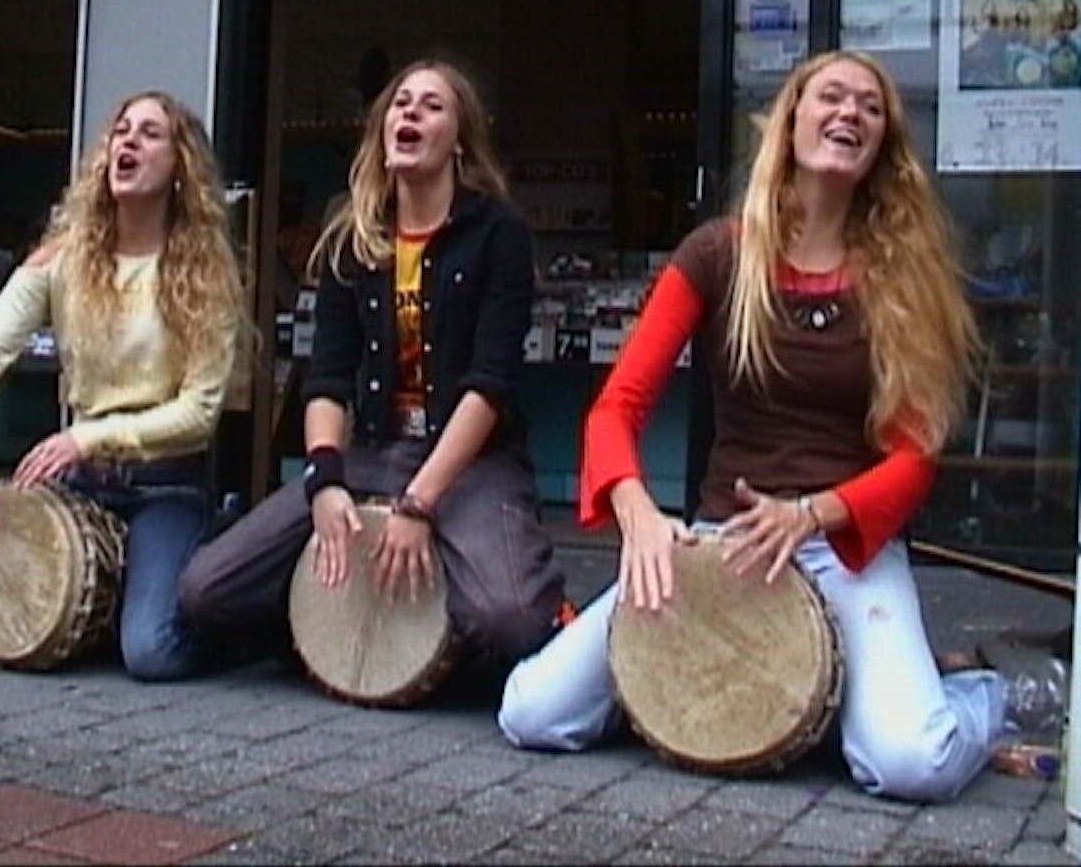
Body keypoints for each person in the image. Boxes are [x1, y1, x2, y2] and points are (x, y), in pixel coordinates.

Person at [496, 51, 1059, 802]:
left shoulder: (905, 274)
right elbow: (616, 407)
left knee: (909, 764)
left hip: (843, 546)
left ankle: (977, 696)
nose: (849, 114)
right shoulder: (718, 254)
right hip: (723, 541)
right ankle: (694, 697)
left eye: (869, 106)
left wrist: (811, 515)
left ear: (882, 146)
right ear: (790, 121)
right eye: (830, 97)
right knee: (532, 711)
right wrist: (640, 518)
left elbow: (915, 456)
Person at [179, 58, 566, 683]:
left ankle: (465, 604)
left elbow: (490, 384)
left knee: (512, 618)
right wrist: (326, 480)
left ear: (459, 141)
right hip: (373, 448)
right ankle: (318, 628)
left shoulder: (499, 233)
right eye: (400, 103)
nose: (410, 112)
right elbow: (327, 377)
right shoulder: (350, 241)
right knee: (205, 589)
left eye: (432, 105)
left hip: (469, 459)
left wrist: (418, 505)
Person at [0, 90, 248, 681]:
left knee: (151, 653)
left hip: (165, 487)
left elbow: (200, 412)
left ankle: (209, 577)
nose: (128, 141)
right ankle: (119, 590)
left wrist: (88, 438)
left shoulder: (208, 272)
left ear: (182, 168)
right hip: (77, 483)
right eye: (122, 130)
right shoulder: (62, 259)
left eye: (150, 134)